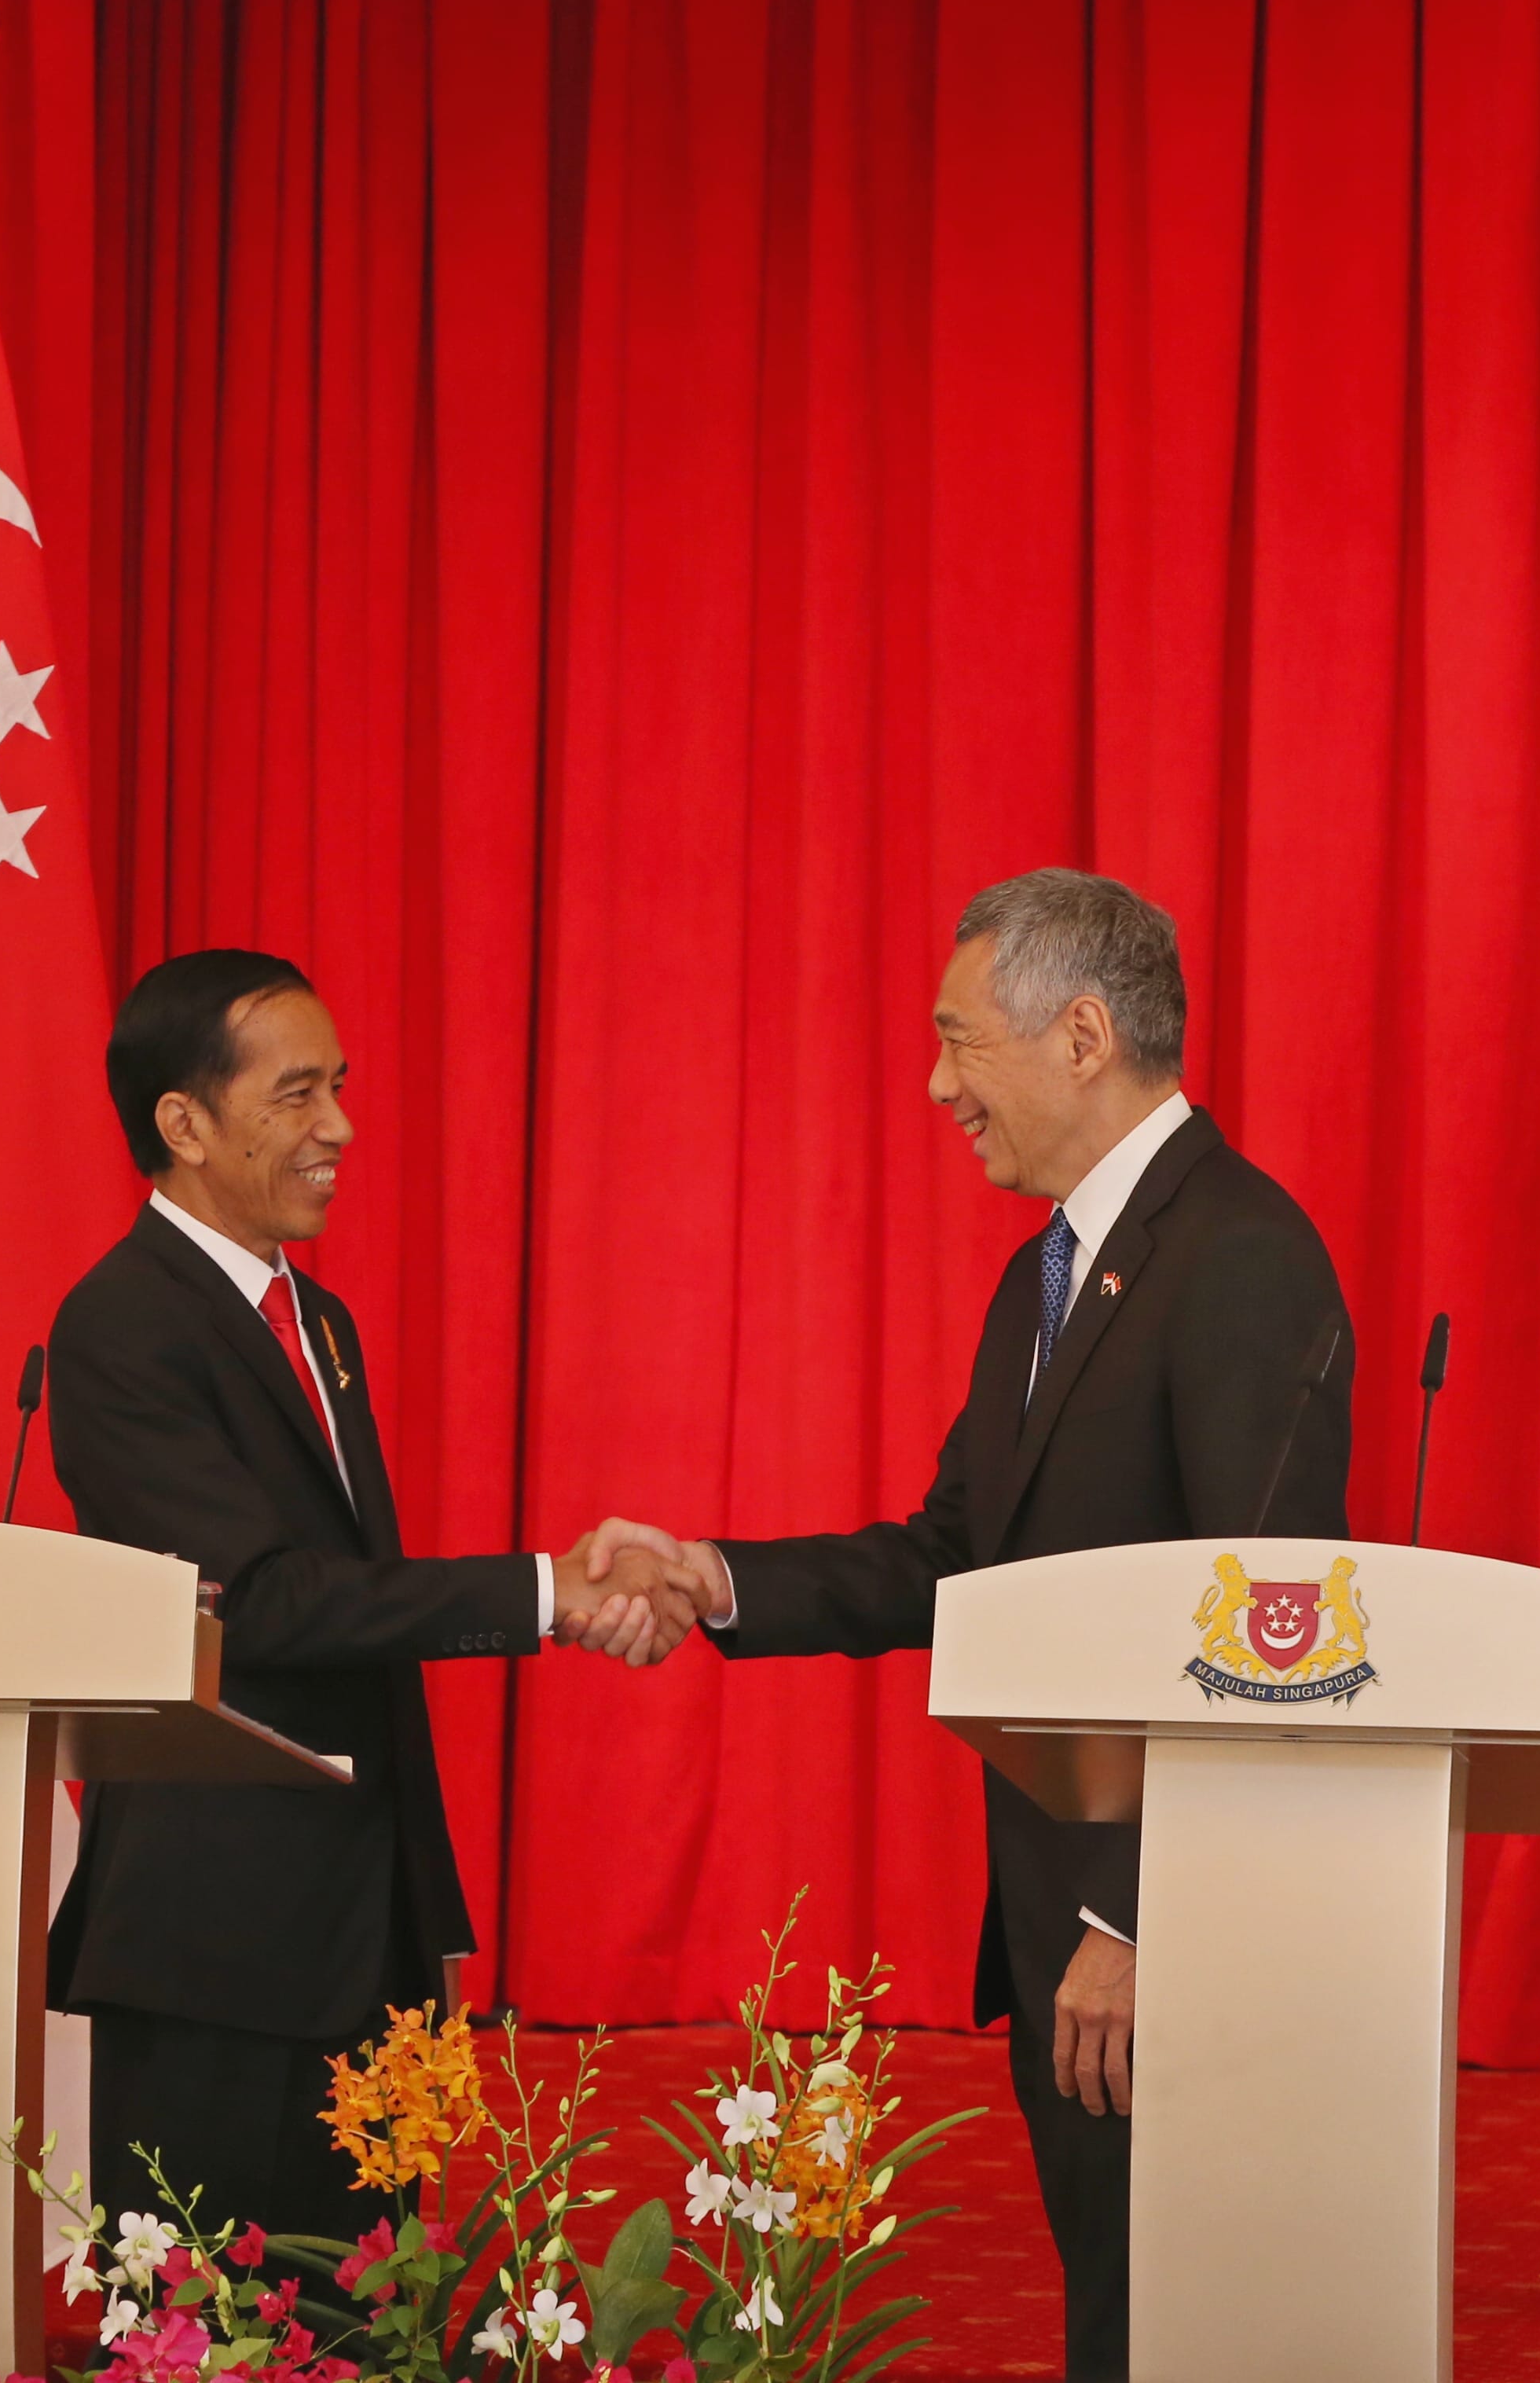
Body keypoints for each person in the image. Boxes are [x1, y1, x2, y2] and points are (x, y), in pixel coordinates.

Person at [585, 868, 1353, 2381]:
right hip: (1066, 1926)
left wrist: (1141, 1920)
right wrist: (711, 1574)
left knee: (1183, 2328)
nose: (936, 1086)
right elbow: (955, 1561)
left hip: (1162, 1942)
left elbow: (1277, 1627)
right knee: (1119, 2319)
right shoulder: (1046, 1274)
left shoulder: (1240, 1252)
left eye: (957, 1042)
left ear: (1081, 1036)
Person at [42, 948, 673, 2247]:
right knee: (208, 2322)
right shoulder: (122, 1326)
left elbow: (358, 1628)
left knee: (367, 2312)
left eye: (339, 1087)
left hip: (359, 1929)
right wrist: (547, 1593)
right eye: (297, 1095)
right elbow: (271, 1605)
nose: (339, 1127)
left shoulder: (316, 1319)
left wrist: (423, 1907)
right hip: (218, 1940)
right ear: (185, 1123)